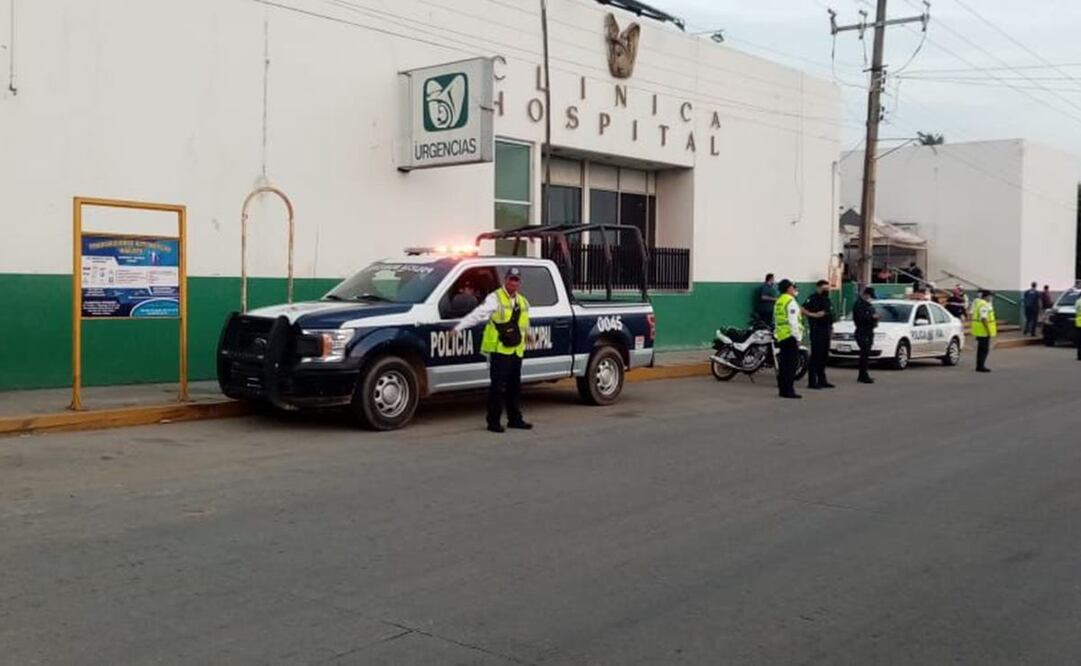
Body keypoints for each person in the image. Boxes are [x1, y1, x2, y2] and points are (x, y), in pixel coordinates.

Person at [454, 267, 532, 433]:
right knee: (497, 387)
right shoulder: (495, 298)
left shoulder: (522, 301)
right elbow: (478, 314)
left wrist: (529, 338)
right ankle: (493, 421)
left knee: (515, 386)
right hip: (499, 350)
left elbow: (524, 325)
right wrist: (459, 327)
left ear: (520, 282)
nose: (513, 283)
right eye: (511, 279)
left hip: (516, 350)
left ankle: (515, 419)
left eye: (516, 280)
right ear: (506, 280)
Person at [773, 279, 803, 399]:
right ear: (788, 289)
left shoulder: (779, 301)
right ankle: (789, 390)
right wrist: (797, 337)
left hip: (781, 336)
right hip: (790, 336)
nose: (794, 289)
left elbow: (776, 319)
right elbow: (793, 321)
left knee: (784, 365)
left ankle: (782, 389)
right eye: (792, 287)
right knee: (791, 365)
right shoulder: (790, 301)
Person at [802, 279, 834, 390]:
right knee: (816, 355)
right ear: (819, 288)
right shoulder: (812, 298)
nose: (827, 290)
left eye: (828, 288)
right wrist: (813, 315)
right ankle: (812, 381)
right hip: (817, 330)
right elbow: (802, 309)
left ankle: (822, 379)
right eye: (825, 288)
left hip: (827, 329)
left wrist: (831, 329)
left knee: (824, 356)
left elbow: (830, 314)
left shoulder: (827, 299)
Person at [853, 286, 879, 384]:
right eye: (869, 296)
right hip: (862, 331)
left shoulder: (867, 305)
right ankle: (863, 375)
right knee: (864, 354)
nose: (870, 298)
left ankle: (863, 374)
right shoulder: (859, 304)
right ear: (866, 295)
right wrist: (872, 317)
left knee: (866, 354)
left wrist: (875, 318)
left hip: (869, 330)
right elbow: (860, 318)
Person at [970, 289, 997, 373]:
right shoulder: (983, 305)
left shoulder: (979, 303)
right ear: (987, 296)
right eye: (990, 296)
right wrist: (988, 331)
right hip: (983, 331)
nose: (991, 298)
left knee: (981, 349)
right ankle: (981, 366)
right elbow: (984, 318)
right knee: (984, 350)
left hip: (980, 330)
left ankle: (980, 365)